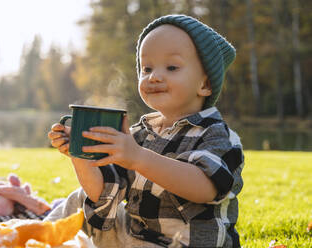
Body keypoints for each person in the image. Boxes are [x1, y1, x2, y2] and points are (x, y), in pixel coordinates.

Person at [47, 14, 244, 248]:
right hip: (135, 238)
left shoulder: (216, 135)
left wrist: (138, 157)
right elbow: (103, 193)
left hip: (185, 243)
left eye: (171, 67)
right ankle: (37, 237)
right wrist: (80, 156)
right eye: (146, 67)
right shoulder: (139, 134)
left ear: (205, 84)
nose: (154, 76)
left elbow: (205, 188)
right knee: (81, 198)